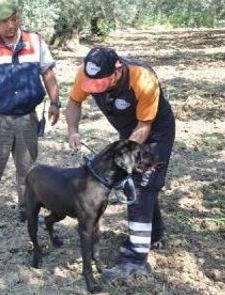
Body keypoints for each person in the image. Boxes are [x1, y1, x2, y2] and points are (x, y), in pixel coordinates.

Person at [65, 46, 175, 279]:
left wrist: (121, 159)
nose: (95, 89)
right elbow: (74, 102)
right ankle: (153, 233)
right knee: (140, 181)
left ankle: (136, 259)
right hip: (128, 130)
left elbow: (144, 127)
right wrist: (73, 129)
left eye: (100, 84)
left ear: (117, 71)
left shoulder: (142, 79)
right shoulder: (87, 73)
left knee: (140, 184)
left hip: (155, 130)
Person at [0, 0, 60, 228]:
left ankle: (28, 210)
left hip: (28, 116)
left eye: (14, 19)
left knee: (28, 169)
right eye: (4, 21)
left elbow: (48, 73)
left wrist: (56, 102)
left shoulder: (35, 41)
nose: (10, 25)